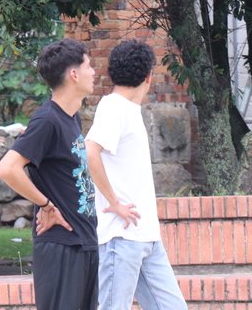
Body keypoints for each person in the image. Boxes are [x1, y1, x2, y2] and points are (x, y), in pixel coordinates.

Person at [0, 38, 99, 310]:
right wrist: (46, 204)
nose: (94, 72)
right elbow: (7, 168)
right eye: (89, 66)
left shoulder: (70, 117)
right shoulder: (47, 120)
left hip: (83, 242)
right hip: (61, 245)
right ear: (73, 74)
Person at [85, 41, 187, 310]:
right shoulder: (114, 107)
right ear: (148, 77)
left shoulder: (127, 110)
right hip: (122, 237)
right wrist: (114, 202)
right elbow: (90, 153)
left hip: (146, 237)